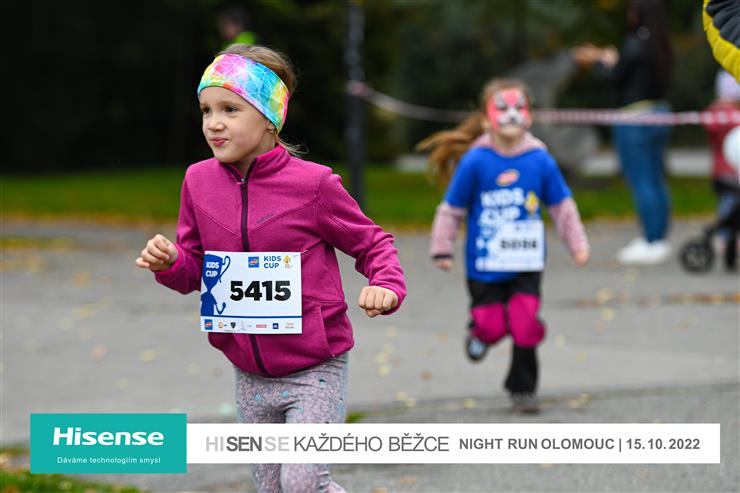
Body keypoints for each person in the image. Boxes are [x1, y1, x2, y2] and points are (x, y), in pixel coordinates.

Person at [135, 44, 406, 493]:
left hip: (315, 368)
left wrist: (386, 284)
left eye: (230, 109)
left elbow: (372, 243)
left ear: (269, 117)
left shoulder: (313, 185)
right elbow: (196, 272)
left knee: (302, 482)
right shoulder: (198, 182)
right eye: (206, 110)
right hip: (249, 372)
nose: (213, 123)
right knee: (273, 488)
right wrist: (170, 263)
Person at [418, 79, 590, 414]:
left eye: (518, 108)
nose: (511, 115)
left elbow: (562, 207)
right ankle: (479, 335)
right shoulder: (476, 161)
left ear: (529, 116)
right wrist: (442, 248)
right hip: (485, 266)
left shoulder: (540, 160)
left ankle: (523, 390)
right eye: (502, 108)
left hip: (526, 264)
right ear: (486, 119)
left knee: (524, 325)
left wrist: (577, 243)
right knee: (492, 325)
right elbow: (452, 209)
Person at [573, 0, 674, 265]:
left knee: (641, 181)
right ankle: (659, 238)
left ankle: (650, 240)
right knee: (655, 179)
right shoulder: (660, 43)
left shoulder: (635, 43)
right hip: (660, 113)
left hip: (634, 117)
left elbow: (618, 76)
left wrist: (602, 62)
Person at [704, 69, 740, 270]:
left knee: (730, 207)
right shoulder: (722, 115)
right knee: (729, 207)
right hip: (727, 172)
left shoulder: (717, 114)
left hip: (726, 171)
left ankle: (726, 237)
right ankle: (724, 236)